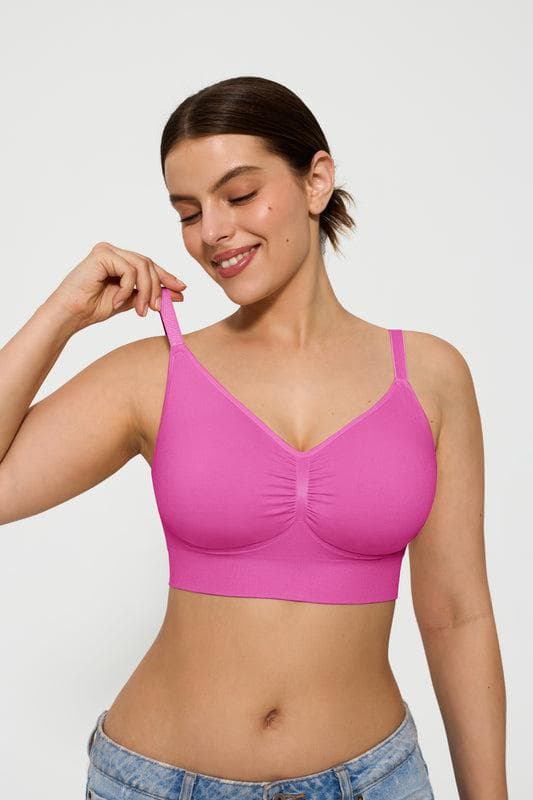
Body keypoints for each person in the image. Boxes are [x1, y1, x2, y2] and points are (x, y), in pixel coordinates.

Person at [0, 76, 507, 800]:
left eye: (238, 195)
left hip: (374, 783)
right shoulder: (156, 373)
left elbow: (458, 616)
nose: (211, 231)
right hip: (158, 785)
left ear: (316, 181)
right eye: (188, 211)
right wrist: (62, 312)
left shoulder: (428, 376)